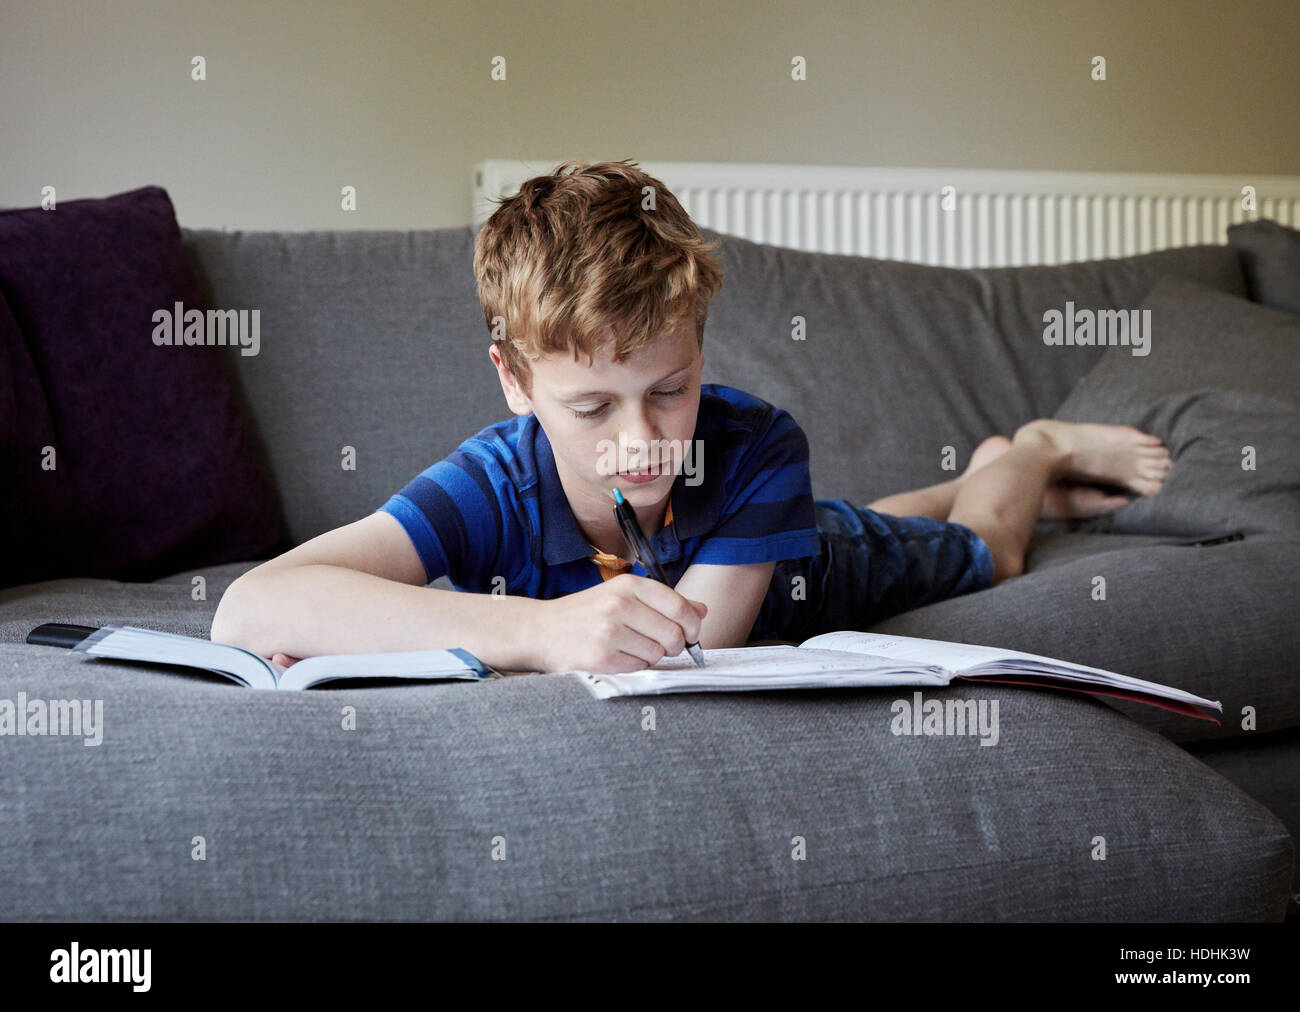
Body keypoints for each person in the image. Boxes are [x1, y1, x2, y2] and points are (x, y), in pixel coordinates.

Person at [211, 160, 1170, 673]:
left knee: (979, 549)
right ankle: (976, 471)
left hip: (818, 563)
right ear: (513, 380)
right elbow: (252, 607)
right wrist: (538, 633)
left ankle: (1028, 453)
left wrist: (459, 632)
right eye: (590, 406)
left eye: (670, 390)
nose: (641, 440)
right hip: (776, 532)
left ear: (701, 351)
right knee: (853, 509)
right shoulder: (494, 479)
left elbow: (685, 651)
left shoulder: (758, 445)